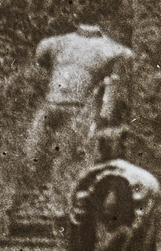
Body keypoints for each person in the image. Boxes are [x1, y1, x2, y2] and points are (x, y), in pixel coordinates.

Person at [22, 23, 135, 193]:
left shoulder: (115, 51)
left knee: (66, 161)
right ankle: (33, 194)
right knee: (32, 154)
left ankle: (57, 197)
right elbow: (38, 70)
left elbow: (113, 88)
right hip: (51, 105)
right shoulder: (55, 44)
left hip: (79, 110)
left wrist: (103, 118)